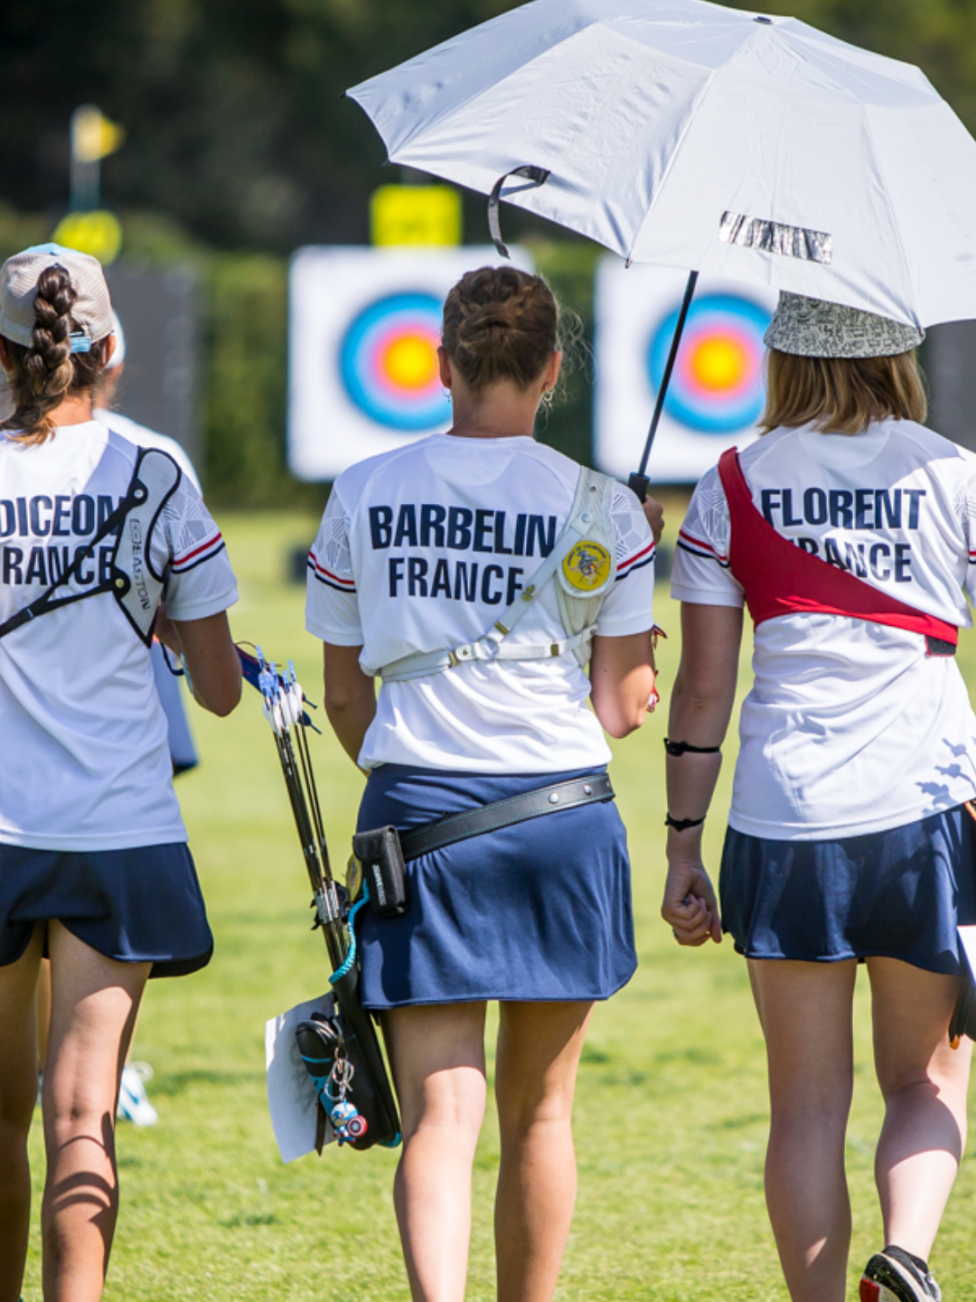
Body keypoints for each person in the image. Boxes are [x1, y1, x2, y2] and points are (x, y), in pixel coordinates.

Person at [306, 265, 660, 1302]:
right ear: (553, 368)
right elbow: (623, 705)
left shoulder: (363, 489)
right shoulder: (604, 505)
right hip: (558, 816)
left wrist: (423, 756)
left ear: (440, 362)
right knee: (540, 1114)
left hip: (418, 821)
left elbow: (343, 698)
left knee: (440, 1116)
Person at [662, 292, 976, 1302]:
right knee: (923, 1080)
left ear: (780, 359)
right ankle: (909, 1253)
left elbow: (703, 689)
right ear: (900, 354)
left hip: (784, 820)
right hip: (925, 809)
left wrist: (680, 847)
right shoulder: (953, 473)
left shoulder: (728, 485)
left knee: (803, 1107)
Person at [0, 243, 242, 1302]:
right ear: (112, 350)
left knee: (0, 1117)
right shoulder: (155, 470)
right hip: (118, 835)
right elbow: (222, 687)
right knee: (82, 1113)